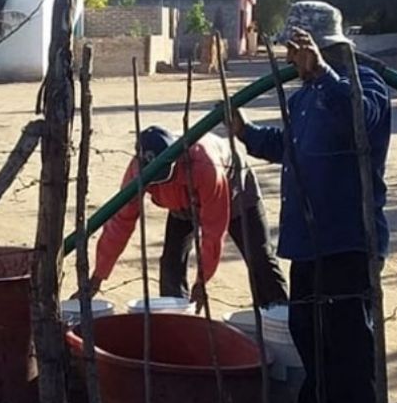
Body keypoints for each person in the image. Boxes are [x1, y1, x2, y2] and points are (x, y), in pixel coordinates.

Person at [228, 0, 392, 403]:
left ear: (319, 47)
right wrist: (247, 133)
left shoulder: (364, 83)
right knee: (309, 332)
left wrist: (323, 76)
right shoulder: (302, 96)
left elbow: (362, 120)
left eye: (297, 49)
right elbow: (288, 145)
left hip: (347, 237)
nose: (290, 59)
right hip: (307, 237)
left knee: (347, 340)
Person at [80, 127, 288, 312]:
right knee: (171, 262)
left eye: (165, 175)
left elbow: (213, 231)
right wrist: (98, 275)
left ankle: (280, 317)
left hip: (234, 194)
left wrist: (202, 281)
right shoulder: (137, 173)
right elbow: (120, 223)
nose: (160, 181)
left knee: (259, 258)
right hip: (181, 204)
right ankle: (175, 318)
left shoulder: (204, 165)